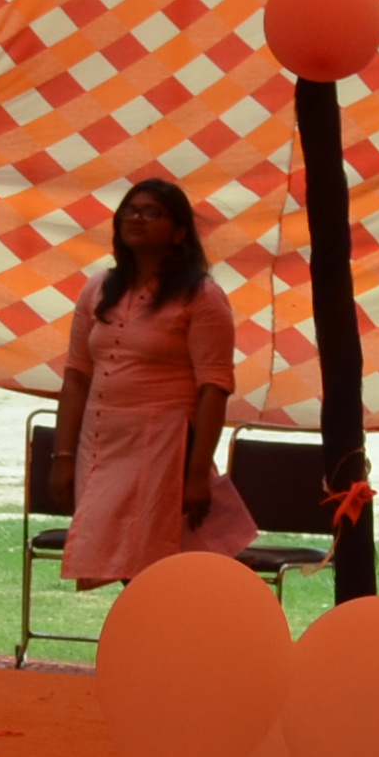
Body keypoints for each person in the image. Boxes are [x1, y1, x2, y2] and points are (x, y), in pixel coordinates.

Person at [49, 178, 252, 589]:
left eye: (151, 212)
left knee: (151, 565)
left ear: (179, 233)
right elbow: (76, 377)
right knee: (112, 555)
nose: (136, 218)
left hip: (161, 446)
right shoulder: (98, 288)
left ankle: (161, 630)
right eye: (130, 210)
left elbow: (214, 389)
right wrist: (63, 456)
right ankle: (145, 629)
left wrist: (197, 473)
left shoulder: (202, 295)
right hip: (99, 444)